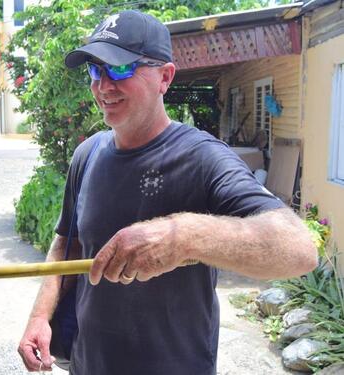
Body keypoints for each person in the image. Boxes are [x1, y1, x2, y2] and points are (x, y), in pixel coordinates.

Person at [18, 10, 317, 375]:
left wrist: (184, 236)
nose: (104, 85)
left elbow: (299, 250)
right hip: (89, 364)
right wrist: (39, 317)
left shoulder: (203, 157)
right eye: (95, 70)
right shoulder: (87, 154)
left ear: (165, 77)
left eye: (121, 69)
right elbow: (68, 242)